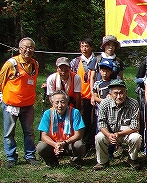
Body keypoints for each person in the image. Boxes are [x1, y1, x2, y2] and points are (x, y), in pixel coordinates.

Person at [0, 37, 39, 168]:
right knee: (9, 132)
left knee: (29, 132)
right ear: (19, 49)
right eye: (25, 47)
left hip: (28, 105)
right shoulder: (11, 64)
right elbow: (1, 81)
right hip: (11, 105)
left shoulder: (35, 64)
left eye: (31, 47)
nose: (28, 50)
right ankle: (11, 158)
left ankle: (30, 156)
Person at [94, 79, 142, 171]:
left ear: (126, 92)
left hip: (126, 133)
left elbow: (135, 126)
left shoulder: (133, 103)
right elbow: (101, 123)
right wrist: (108, 134)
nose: (119, 96)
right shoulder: (104, 103)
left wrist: (119, 134)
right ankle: (102, 162)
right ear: (110, 93)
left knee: (136, 137)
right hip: (110, 133)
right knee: (99, 137)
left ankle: (132, 159)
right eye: (116, 93)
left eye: (121, 93)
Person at [36, 90, 86, 168]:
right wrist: (55, 144)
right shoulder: (47, 113)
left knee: (79, 145)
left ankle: (75, 161)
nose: (60, 105)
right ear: (52, 103)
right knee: (41, 147)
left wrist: (65, 143)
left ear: (67, 102)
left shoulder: (74, 112)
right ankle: (52, 162)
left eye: (62, 102)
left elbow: (78, 134)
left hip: (69, 144)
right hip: (53, 145)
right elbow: (43, 136)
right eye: (57, 102)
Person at [70, 38, 97, 152]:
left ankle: (92, 141)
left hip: (94, 95)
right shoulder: (75, 62)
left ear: (91, 47)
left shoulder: (97, 60)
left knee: (95, 120)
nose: (84, 48)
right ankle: (83, 141)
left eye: (86, 46)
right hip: (81, 95)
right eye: (82, 46)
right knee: (83, 119)